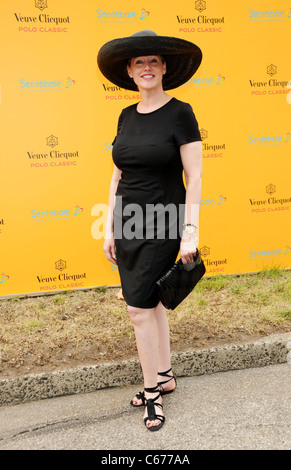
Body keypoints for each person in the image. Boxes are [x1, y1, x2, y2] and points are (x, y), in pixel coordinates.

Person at [97, 30, 202, 432]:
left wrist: (189, 232)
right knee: (153, 304)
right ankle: (166, 374)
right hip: (127, 222)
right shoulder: (125, 115)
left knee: (137, 309)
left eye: (153, 61)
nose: (146, 68)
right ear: (129, 70)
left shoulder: (181, 112)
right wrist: (109, 227)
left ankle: (152, 395)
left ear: (164, 68)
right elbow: (116, 175)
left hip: (163, 221)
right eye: (138, 62)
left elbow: (194, 178)